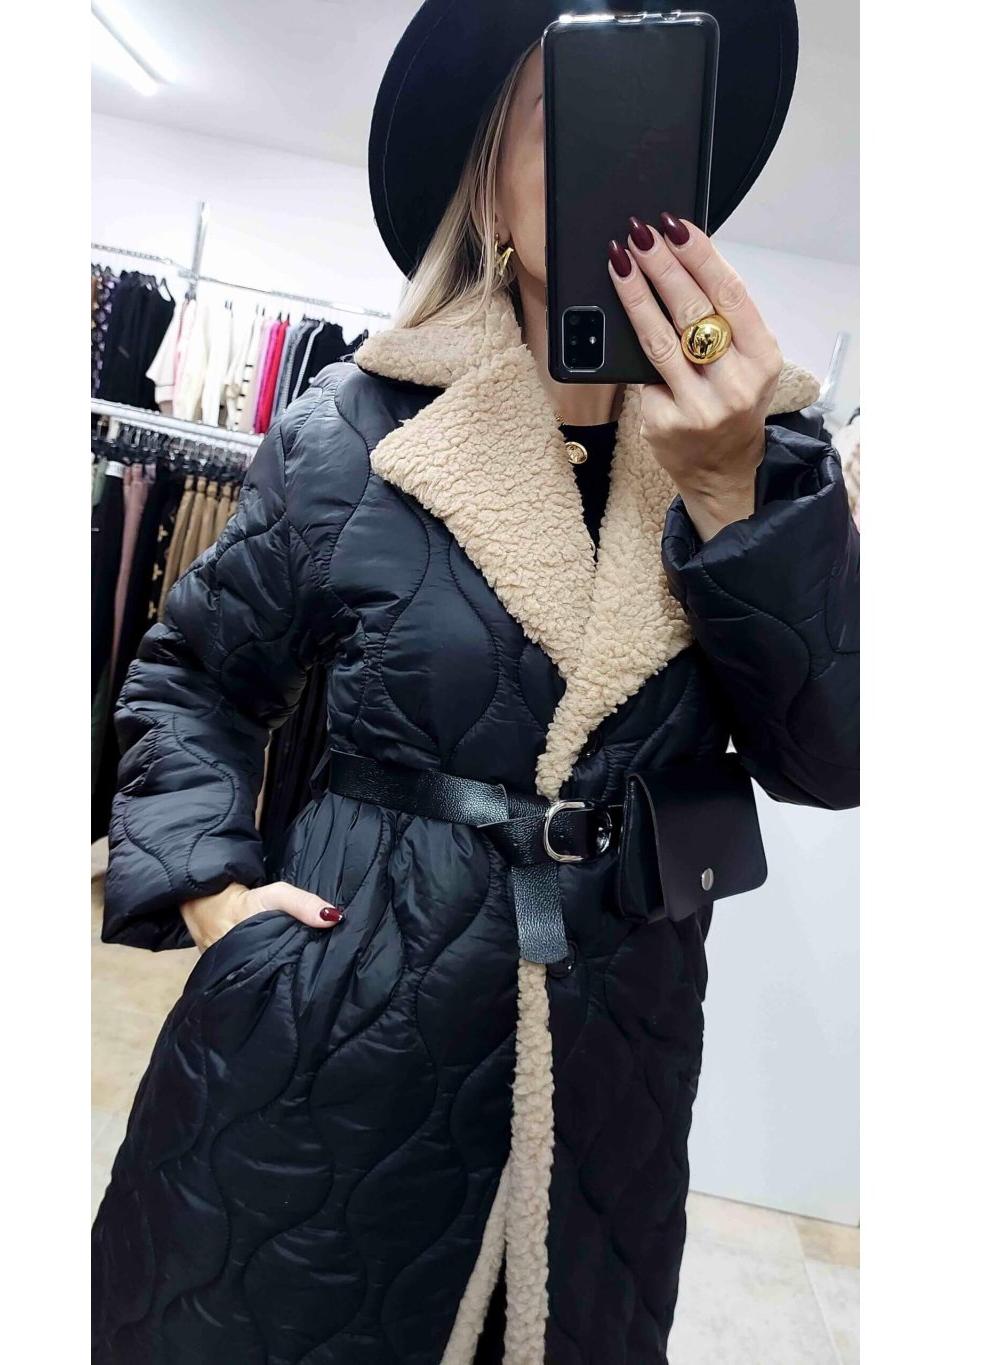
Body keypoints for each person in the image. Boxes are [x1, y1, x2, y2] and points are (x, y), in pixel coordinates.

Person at [92, 3, 858, 1362]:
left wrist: (734, 497)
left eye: (654, 125)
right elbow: (194, 673)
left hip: (614, 1065)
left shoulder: (774, 456)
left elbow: (833, 756)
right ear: (489, 180)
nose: (622, 163)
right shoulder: (352, 431)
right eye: (573, 121)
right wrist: (217, 895)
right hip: (338, 1035)